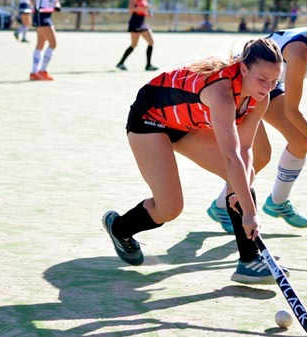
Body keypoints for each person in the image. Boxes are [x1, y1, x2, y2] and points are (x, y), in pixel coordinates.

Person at [102, 38, 287, 285]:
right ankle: (119, 228)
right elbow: (232, 157)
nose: (267, 87)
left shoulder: (260, 97)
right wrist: (250, 213)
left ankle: (248, 261)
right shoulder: (222, 94)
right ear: (243, 69)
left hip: (185, 125)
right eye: (262, 79)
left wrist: (242, 193)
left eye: (274, 81)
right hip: (149, 120)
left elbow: (244, 149)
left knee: (244, 174)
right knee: (169, 208)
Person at [207, 0, 307, 234]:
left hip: (268, 84)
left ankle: (277, 202)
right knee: (259, 155)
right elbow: (292, 110)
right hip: (242, 84)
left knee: (299, 143)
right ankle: (221, 206)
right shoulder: (300, 50)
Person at [116, 0, 158, 71]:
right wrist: (143, 8)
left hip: (141, 22)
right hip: (135, 22)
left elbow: (144, 11)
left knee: (151, 42)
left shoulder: (144, 0)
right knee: (134, 45)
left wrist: (147, 13)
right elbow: (131, 10)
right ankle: (121, 63)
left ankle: (148, 65)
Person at [29, 0, 60, 81]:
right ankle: (42, 71)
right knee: (53, 44)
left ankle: (34, 73)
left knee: (40, 44)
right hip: (41, 15)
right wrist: (34, 6)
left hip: (47, 15)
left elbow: (56, 1)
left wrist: (57, 5)